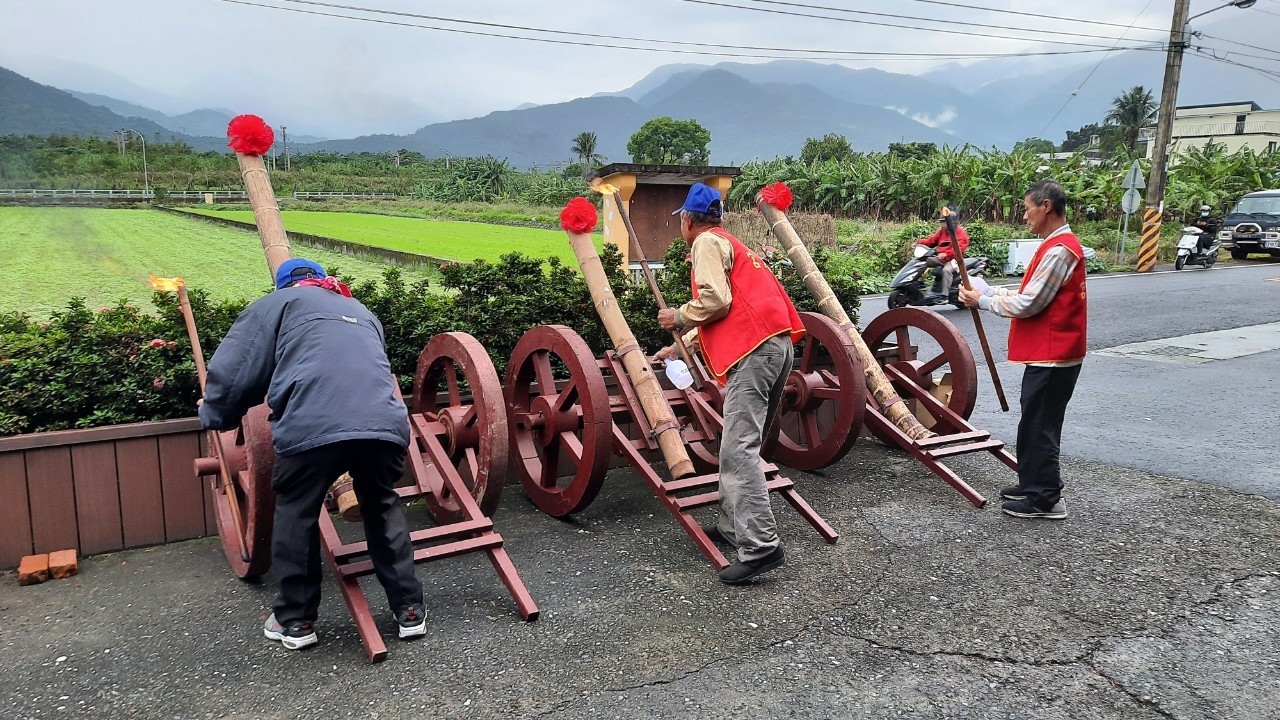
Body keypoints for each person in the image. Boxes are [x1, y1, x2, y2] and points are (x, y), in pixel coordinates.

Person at [199, 258, 425, 650]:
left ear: (285, 286)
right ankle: (409, 611)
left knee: (297, 512)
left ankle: (297, 621)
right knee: (382, 504)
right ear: (322, 282)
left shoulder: (277, 304)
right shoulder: (362, 311)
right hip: (383, 424)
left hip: (312, 425)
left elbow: (238, 370)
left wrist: (216, 414)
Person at [655, 183, 806, 584]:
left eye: (682, 222)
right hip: (776, 347)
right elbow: (731, 307)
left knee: (738, 448)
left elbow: (715, 301)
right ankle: (731, 527)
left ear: (688, 221)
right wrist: (679, 346)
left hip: (755, 355)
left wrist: (678, 317)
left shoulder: (704, 244)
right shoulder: (733, 244)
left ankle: (761, 547)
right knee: (738, 443)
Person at [958, 180, 1086, 520]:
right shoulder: (1053, 246)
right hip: (1050, 354)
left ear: (1046, 206)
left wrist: (982, 301)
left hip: (1056, 354)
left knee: (1040, 424)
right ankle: (1033, 483)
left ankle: (1044, 498)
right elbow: (1030, 291)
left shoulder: (1061, 249)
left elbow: (1030, 303)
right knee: (1034, 420)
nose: (1024, 215)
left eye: (1028, 207)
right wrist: (989, 290)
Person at [917, 208, 970, 301]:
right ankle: (920, 283)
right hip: (942, 258)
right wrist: (919, 243)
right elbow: (931, 241)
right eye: (941, 222)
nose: (941, 224)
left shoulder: (961, 233)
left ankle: (944, 296)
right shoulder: (942, 231)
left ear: (951, 222)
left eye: (944, 222)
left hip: (955, 260)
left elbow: (960, 249)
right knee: (922, 260)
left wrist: (946, 254)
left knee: (946, 270)